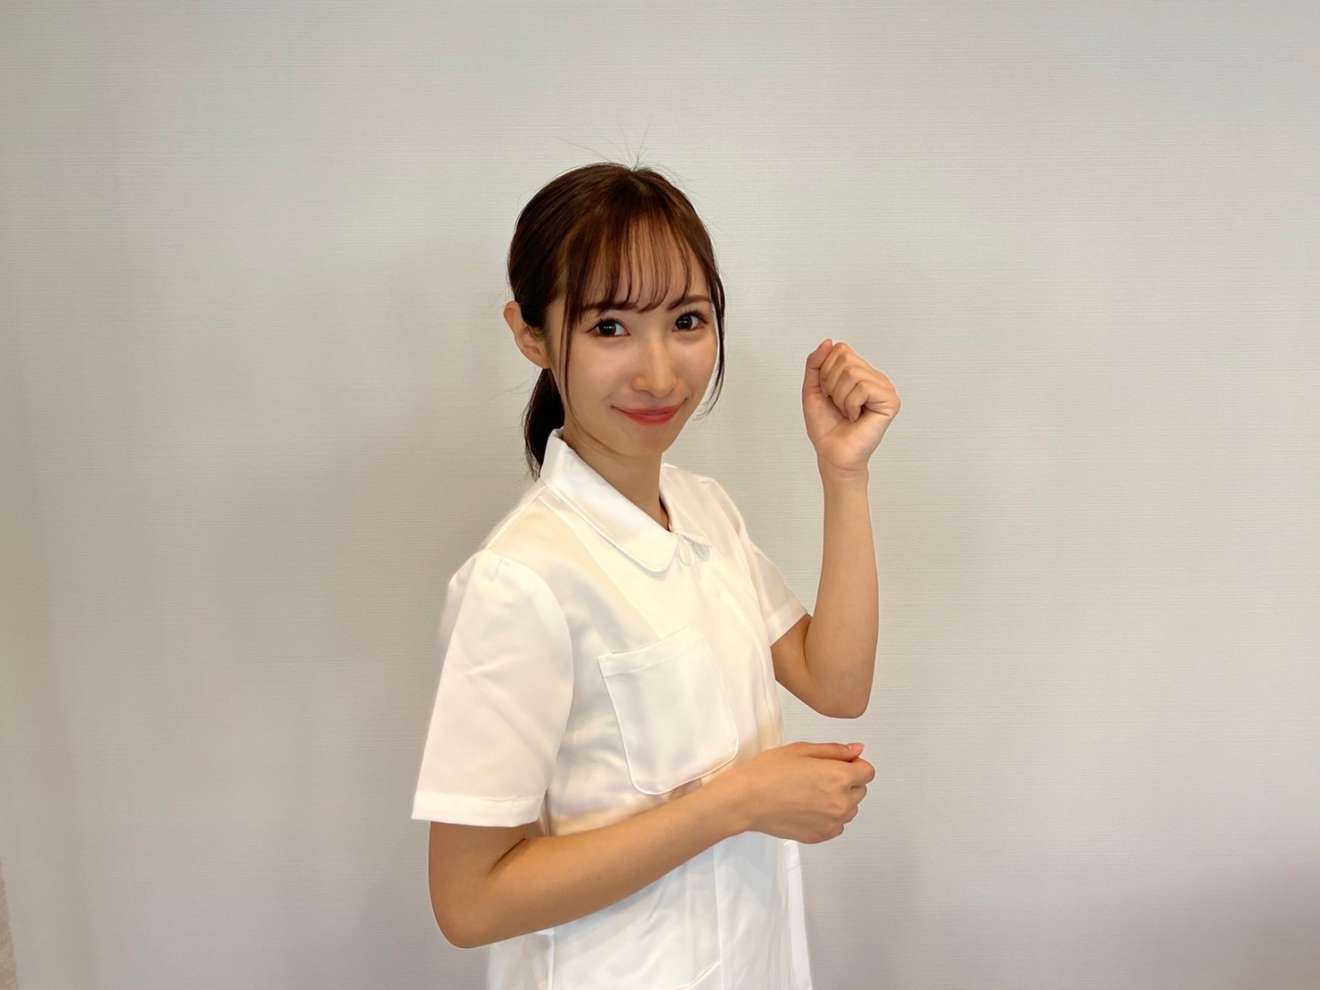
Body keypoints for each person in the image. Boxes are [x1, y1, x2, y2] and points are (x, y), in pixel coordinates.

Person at [412, 161, 896, 989]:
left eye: (687, 320)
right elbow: (469, 901)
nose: (660, 373)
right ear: (531, 334)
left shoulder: (705, 509)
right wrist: (737, 802)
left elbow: (836, 682)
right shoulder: (521, 579)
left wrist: (844, 473)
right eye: (610, 326)